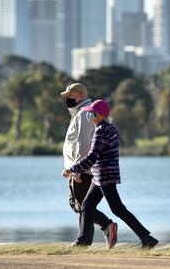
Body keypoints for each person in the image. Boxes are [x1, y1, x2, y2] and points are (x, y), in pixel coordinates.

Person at [62, 99, 158, 249]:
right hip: (101, 176)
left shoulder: (100, 132)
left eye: (91, 113)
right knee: (87, 205)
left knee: (117, 209)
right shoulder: (110, 129)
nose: (89, 115)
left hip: (104, 176)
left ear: (99, 115)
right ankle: (83, 241)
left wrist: (73, 169)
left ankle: (147, 238)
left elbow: (93, 157)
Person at [60, 83, 117, 249]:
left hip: (82, 170)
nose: (67, 99)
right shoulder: (79, 114)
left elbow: (83, 143)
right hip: (77, 169)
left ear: (80, 95)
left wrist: (78, 169)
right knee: (76, 204)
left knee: (84, 206)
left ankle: (90, 236)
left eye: (70, 95)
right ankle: (94, 233)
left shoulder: (84, 115)